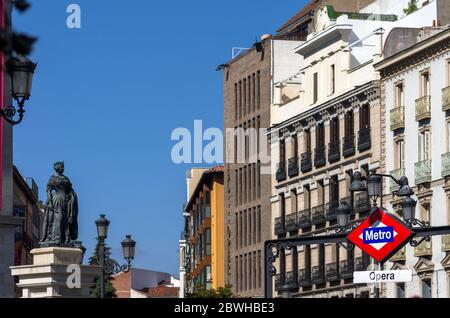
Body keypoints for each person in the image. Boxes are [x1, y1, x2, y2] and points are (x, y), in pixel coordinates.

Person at [40, 161, 78, 247]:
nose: (63, 168)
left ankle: (64, 238)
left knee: (66, 219)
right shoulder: (52, 178)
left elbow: (70, 189)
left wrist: (72, 196)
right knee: (58, 218)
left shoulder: (66, 178)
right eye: (62, 167)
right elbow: (48, 191)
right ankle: (56, 237)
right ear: (57, 168)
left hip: (66, 201)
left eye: (63, 167)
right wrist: (50, 201)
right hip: (56, 199)